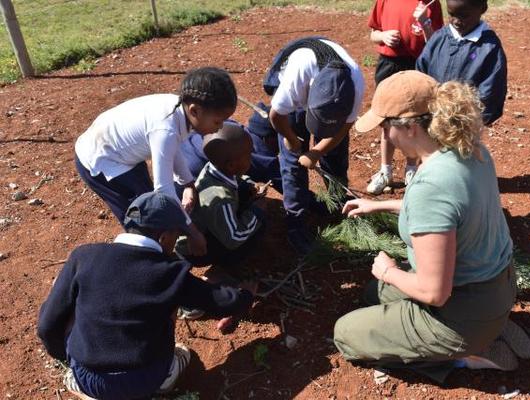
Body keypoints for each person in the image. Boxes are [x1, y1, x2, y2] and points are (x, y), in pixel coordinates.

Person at [334, 71, 528, 383]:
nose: (383, 135)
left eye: (385, 127)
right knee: (375, 295)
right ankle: (491, 327)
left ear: (410, 127)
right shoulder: (470, 150)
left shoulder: (431, 185)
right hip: (496, 287)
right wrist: (377, 205)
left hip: (461, 310)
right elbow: (449, 213)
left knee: (345, 335)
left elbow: (434, 292)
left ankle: (465, 355)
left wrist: (386, 270)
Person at [37, 192, 255, 400]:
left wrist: (68, 357)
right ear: (163, 237)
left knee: (70, 297)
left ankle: (80, 381)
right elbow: (223, 301)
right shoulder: (170, 273)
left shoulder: (84, 256)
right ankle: (166, 376)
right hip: (145, 378)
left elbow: (47, 325)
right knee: (172, 312)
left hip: (88, 376)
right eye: (176, 236)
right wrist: (246, 293)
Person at [75, 67, 238, 256]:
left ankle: (162, 255)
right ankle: (149, 264)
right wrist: (193, 233)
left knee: (155, 210)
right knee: (144, 220)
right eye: (217, 122)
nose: (219, 129)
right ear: (195, 110)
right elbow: (164, 192)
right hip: (101, 161)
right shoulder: (165, 128)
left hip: (121, 154)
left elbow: (172, 147)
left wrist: (188, 183)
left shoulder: (179, 110)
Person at [262, 36, 365, 255]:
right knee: (292, 165)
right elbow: (276, 116)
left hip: (329, 92)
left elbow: (343, 129)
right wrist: (291, 139)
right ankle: (296, 223)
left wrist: (318, 150)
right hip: (297, 89)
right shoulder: (296, 80)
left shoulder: (355, 85)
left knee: (335, 155)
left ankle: (336, 203)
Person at [366, 0, 443, 195]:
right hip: (389, 63)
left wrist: (425, 23)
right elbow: (373, 33)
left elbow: (436, 41)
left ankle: (412, 169)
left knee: (415, 121)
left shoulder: (430, 3)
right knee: (386, 120)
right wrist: (383, 36)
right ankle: (385, 171)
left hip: (418, 64)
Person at [176, 122, 266, 269]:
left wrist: (249, 183)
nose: (251, 157)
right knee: (259, 225)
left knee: (245, 197)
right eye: (248, 155)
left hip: (207, 226)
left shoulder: (213, 167)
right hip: (197, 251)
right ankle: (225, 267)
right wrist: (256, 212)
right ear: (231, 165)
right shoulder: (220, 199)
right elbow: (234, 238)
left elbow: (235, 178)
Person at [416, 0, 507, 125]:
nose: (456, 21)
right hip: (432, 120)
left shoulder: (489, 48)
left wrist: (469, 121)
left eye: (464, 16)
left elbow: (490, 92)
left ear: (482, 9)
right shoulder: (439, 38)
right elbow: (420, 74)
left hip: (464, 127)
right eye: (451, 14)